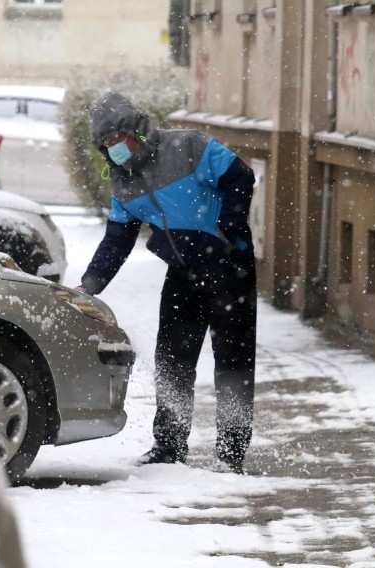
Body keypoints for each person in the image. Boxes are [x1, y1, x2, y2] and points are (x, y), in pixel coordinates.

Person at [75, 92, 257, 474]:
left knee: (233, 362)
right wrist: (90, 285)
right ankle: (169, 446)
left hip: (229, 268)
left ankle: (231, 453)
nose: (111, 150)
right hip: (185, 272)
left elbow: (239, 176)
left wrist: (228, 229)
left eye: (114, 139)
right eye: (103, 144)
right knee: (173, 360)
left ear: (135, 131)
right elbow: (118, 238)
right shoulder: (123, 183)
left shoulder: (187, 146)